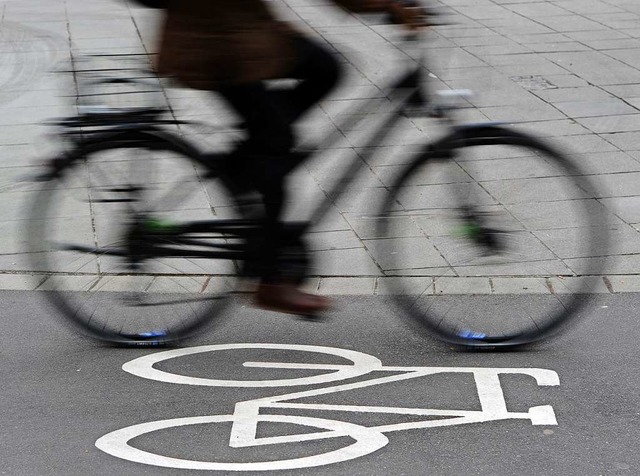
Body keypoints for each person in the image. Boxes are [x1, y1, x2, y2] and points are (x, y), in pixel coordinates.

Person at [155, 0, 426, 316]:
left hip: (241, 31)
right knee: (275, 144)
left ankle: (246, 161)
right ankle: (270, 280)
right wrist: (385, 5)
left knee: (324, 70)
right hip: (215, 43)